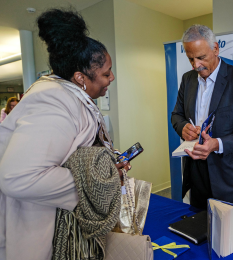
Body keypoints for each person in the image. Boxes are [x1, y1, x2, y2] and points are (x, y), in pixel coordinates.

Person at [0, 9, 130, 260]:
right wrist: (96, 184)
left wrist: (107, 163)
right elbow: (18, 177)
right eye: (105, 73)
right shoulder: (53, 100)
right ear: (81, 77)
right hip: (37, 232)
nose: (111, 78)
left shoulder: (71, 96)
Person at [171, 25, 233, 223]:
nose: (196, 65)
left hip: (232, 180)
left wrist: (217, 144)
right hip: (197, 177)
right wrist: (183, 128)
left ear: (215, 49)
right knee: (201, 241)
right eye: (190, 58)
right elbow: (177, 115)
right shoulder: (187, 80)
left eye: (201, 57)